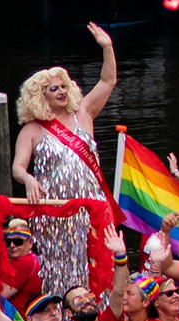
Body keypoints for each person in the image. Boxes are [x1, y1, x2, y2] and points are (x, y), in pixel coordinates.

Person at [10, 20, 119, 297]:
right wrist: (28, 179)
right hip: (55, 213)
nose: (61, 92)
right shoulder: (32, 130)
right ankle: (61, 315)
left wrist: (107, 47)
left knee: (97, 265)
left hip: (90, 209)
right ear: (39, 97)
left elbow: (108, 81)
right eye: (53, 89)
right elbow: (18, 167)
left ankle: (99, 313)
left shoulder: (83, 113)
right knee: (60, 269)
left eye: (63, 87)